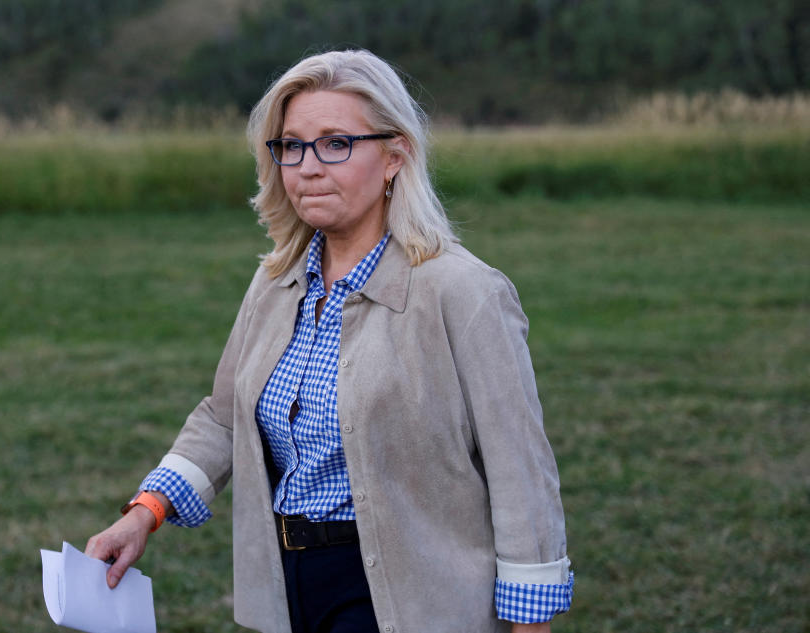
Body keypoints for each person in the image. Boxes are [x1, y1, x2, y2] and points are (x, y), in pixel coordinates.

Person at [86, 49, 573, 633]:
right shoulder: (275, 283)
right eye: (291, 145)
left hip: (412, 599)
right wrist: (144, 514)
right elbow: (223, 419)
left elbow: (520, 470)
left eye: (336, 142)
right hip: (289, 589)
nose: (307, 167)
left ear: (396, 156)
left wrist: (531, 622)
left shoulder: (462, 292)